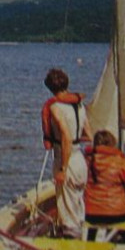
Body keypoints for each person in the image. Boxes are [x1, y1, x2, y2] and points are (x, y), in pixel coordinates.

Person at [41, 68, 91, 237]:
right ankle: (80, 234)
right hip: (79, 160)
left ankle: (70, 243)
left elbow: (66, 137)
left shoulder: (56, 107)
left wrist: (62, 168)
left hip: (66, 159)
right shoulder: (79, 105)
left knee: (66, 206)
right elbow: (89, 135)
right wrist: (75, 142)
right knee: (77, 201)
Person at [83, 130, 125, 237]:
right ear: (112, 144)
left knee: (95, 217)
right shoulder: (119, 161)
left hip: (89, 213)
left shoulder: (86, 160)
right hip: (115, 214)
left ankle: (90, 238)